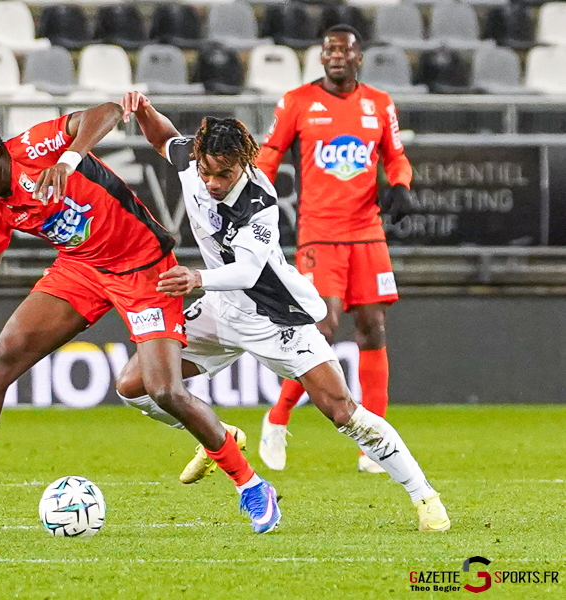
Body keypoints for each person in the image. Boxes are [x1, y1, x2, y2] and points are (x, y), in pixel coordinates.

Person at [0, 103, 281, 536]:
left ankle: (252, 486)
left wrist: (70, 157)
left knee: (163, 389)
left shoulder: (35, 146)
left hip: (143, 267)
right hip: (81, 268)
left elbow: (106, 112)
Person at [118, 91, 449, 532]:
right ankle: (219, 435)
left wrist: (196, 279)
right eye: (207, 172)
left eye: (225, 174)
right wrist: (143, 110)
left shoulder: (259, 200)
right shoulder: (192, 163)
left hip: (273, 317)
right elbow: (165, 138)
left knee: (341, 409)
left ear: (244, 164)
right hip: (219, 310)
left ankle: (424, 495)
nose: (214, 182)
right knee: (134, 385)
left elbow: (249, 270)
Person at [256, 25, 413, 474]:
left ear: (359, 58)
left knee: (373, 328)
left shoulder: (379, 104)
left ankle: (375, 444)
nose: (336, 56)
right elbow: (270, 153)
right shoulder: (297, 102)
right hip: (319, 231)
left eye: (344, 50)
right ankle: (277, 418)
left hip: (367, 230)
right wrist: (248, 193)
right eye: (329, 50)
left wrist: (400, 185)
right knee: (322, 327)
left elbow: (396, 156)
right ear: (321, 58)